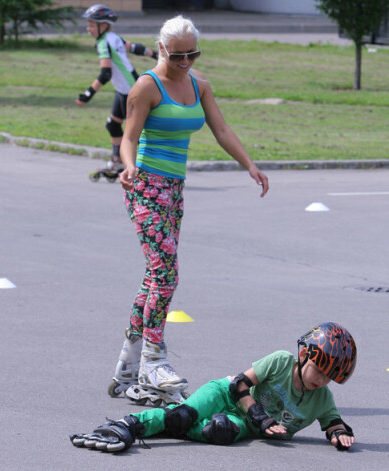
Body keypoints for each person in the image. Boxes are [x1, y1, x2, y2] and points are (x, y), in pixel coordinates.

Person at [107, 15, 269, 407]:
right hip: (144, 186)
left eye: (192, 54)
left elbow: (222, 130)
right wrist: (127, 166)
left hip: (174, 191)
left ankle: (125, 369)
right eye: (177, 55)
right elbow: (129, 138)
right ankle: (153, 361)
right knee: (166, 272)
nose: (185, 62)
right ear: (161, 49)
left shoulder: (200, 86)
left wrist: (249, 164)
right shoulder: (146, 86)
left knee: (153, 277)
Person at [70, 322, 357, 453]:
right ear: (305, 355)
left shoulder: (322, 398)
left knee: (218, 431)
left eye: (329, 377)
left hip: (242, 422)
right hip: (226, 393)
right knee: (182, 416)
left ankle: (168, 423)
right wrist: (259, 415)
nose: (321, 380)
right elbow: (239, 384)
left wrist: (339, 435)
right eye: (319, 371)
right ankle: (128, 424)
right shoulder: (281, 361)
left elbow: (333, 422)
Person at [76, 4, 158, 176]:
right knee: (113, 125)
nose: (88, 28)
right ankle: (118, 162)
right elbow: (136, 48)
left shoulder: (103, 42)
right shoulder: (113, 37)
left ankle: (146, 168)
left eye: (91, 25)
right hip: (125, 90)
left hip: (132, 93)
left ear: (103, 26)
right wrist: (156, 55)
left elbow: (105, 74)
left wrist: (87, 95)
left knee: (136, 132)